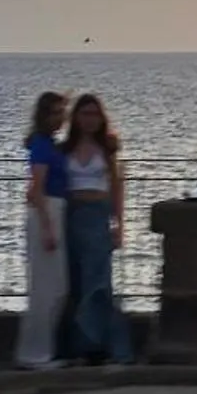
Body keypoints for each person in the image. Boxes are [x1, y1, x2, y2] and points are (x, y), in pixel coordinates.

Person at [60, 93, 131, 365]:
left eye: (94, 114)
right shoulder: (65, 150)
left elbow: (117, 189)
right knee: (75, 284)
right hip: (72, 217)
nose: (89, 120)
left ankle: (108, 345)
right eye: (84, 114)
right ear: (76, 118)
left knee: (99, 284)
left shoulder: (108, 150)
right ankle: (81, 346)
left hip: (98, 217)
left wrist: (119, 224)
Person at [12, 91, 70, 370]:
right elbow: (37, 188)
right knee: (45, 288)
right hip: (47, 213)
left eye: (62, 112)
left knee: (56, 286)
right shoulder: (42, 146)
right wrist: (48, 227)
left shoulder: (49, 144)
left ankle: (40, 350)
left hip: (54, 211)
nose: (61, 118)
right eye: (55, 112)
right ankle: (34, 353)